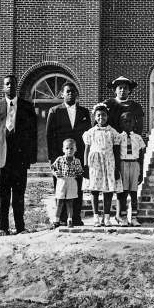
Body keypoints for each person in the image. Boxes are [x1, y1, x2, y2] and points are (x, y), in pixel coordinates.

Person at [0, 74, 37, 235]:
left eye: (13, 84)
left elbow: (33, 133)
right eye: (7, 84)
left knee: (19, 195)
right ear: (3, 87)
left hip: (20, 159)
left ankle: (20, 227)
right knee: (3, 195)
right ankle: (3, 228)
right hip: (2, 158)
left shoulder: (27, 107)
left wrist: (31, 156)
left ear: (17, 87)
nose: (10, 86)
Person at [46, 82, 92, 226]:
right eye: (68, 91)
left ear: (77, 94)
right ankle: (61, 218)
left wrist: (86, 158)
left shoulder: (84, 112)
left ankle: (76, 217)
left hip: (77, 157)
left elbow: (88, 136)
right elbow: (49, 135)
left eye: (73, 91)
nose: (70, 93)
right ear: (62, 94)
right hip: (61, 158)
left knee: (77, 188)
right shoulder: (55, 111)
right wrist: (52, 158)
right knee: (60, 188)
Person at [83, 103, 122, 227]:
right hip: (94, 163)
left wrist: (116, 167)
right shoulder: (90, 132)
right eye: (98, 116)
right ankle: (96, 217)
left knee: (108, 190)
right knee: (94, 190)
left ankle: (106, 217)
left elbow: (116, 151)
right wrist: (86, 166)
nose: (101, 118)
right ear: (95, 117)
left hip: (109, 162)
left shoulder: (113, 132)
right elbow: (87, 149)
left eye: (104, 115)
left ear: (107, 116)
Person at [116, 112, 146, 226]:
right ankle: (123, 217)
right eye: (125, 121)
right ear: (121, 123)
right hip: (123, 164)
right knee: (123, 193)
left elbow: (141, 155)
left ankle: (133, 217)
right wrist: (118, 169)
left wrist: (141, 170)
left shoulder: (138, 138)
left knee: (133, 192)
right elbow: (116, 154)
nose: (128, 123)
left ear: (134, 123)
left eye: (130, 121)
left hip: (135, 164)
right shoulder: (118, 137)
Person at [50, 138, 83, 228]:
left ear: (75, 149)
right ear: (63, 149)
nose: (69, 151)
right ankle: (56, 220)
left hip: (71, 181)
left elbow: (80, 172)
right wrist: (55, 174)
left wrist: (75, 175)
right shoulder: (60, 159)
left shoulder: (77, 161)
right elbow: (52, 168)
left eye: (72, 148)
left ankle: (70, 220)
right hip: (62, 181)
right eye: (67, 148)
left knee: (70, 202)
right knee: (59, 201)